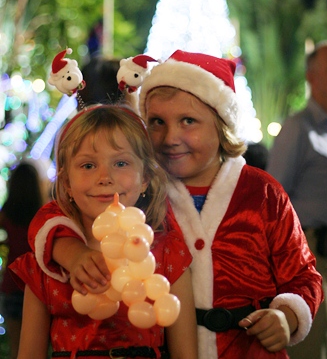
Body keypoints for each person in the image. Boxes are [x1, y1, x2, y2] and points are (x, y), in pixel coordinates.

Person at [26, 50, 323, 359]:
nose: (170, 137)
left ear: (221, 124)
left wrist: (287, 315)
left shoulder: (262, 193)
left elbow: (304, 274)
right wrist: (70, 251)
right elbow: (53, 216)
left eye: (188, 121)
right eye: (156, 122)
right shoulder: (138, 189)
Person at [10, 105, 198, 359]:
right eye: (88, 165)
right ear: (66, 183)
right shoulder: (46, 265)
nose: (105, 177)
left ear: (144, 177)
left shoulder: (168, 254)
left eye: (120, 163)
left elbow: (187, 354)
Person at [267, 40, 327, 359]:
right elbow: (274, 198)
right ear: (311, 77)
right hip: (310, 260)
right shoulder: (297, 128)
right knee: (315, 350)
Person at [0, 160, 50, 359]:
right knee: (41, 350)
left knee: (16, 349)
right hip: (38, 285)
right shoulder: (44, 214)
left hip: (12, 284)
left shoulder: (6, 214)